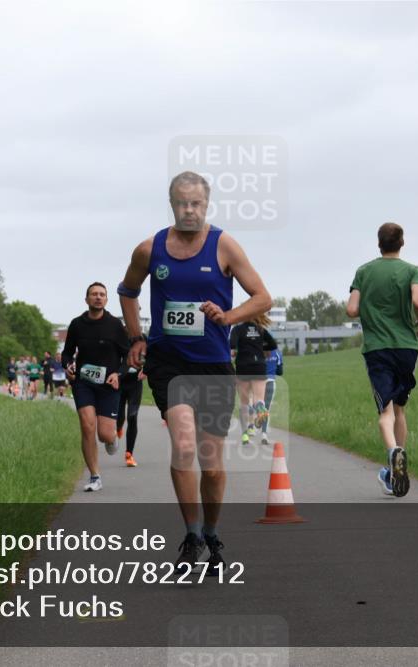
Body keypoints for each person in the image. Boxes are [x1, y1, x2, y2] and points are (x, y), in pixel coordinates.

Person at [119, 171, 271, 574]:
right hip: (168, 363)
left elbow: (262, 297)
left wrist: (227, 316)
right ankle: (191, 535)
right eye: (182, 203)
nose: (190, 210)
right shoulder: (149, 250)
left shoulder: (224, 246)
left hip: (214, 365)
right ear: (172, 205)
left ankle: (211, 530)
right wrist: (136, 337)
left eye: (197, 204)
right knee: (184, 445)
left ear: (207, 205)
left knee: (212, 462)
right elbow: (128, 291)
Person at [346, 222, 418, 498]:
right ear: (401, 243)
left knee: (385, 413)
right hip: (406, 347)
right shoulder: (412, 271)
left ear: (379, 243)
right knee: (401, 409)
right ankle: (397, 469)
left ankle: (393, 457)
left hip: (377, 348)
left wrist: (371, 309)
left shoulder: (364, 271)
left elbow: (351, 309)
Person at [63, 282, 130, 492]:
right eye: (94, 294)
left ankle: (112, 438)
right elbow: (67, 353)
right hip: (83, 383)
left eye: (102, 294)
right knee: (87, 425)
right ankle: (94, 476)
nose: (98, 297)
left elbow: (128, 357)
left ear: (106, 300)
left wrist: (118, 374)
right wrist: (68, 366)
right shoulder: (77, 324)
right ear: (87, 299)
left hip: (108, 385)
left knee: (105, 435)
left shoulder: (115, 326)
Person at [229, 315, 277, 444]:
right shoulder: (261, 329)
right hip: (259, 366)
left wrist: (237, 349)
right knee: (258, 400)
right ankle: (261, 409)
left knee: (244, 403)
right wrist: (260, 348)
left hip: (243, 366)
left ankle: (245, 434)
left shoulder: (237, 329)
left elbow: (232, 344)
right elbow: (273, 345)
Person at [115, 366, 146, 467]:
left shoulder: (142, 349)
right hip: (120, 381)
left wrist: (147, 369)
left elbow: (152, 354)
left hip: (135, 381)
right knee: (119, 417)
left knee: (132, 416)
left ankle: (129, 454)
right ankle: (119, 427)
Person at [260, 346, 283, 446]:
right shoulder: (277, 352)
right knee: (266, 408)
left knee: (257, 404)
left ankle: (251, 426)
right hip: (270, 382)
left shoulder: (257, 350)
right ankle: (264, 434)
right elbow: (280, 371)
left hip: (258, 382)